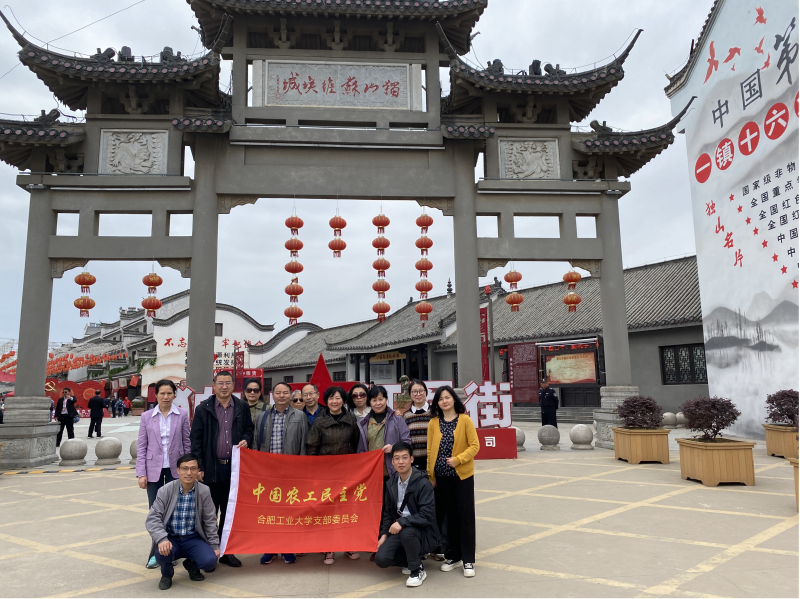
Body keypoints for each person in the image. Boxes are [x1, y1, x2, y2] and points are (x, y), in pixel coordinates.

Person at [190, 370, 253, 568]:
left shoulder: (242, 406)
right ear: (214, 385)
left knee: (229, 512)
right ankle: (208, 552)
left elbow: (249, 429)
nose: (224, 386)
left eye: (228, 383)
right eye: (220, 383)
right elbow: (196, 439)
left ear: (233, 385)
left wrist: (247, 439)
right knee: (209, 513)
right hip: (211, 467)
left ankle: (227, 551)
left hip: (234, 468)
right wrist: (199, 466)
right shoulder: (204, 408)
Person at [137, 379, 192, 569]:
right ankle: (156, 552)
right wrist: (141, 473)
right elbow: (142, 446)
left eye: (169, 393)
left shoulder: (182, 415)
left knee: (175, 510)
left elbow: (186, 443)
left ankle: (172, 551)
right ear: (156, 395)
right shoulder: (147, 416)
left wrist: (189, 469)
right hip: (153, 469)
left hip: (175, 469)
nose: (166, 397)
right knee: (155, 511)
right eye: (162, 393)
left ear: (174, 395)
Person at [145, 453, 220, 591]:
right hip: (171, 538)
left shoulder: (204, 491)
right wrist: (161, 539)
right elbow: (152, 518)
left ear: (198, 471)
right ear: (178, 470)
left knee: (210, 561)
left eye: (193, 468)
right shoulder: (165, 490)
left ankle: (191, 564)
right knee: (162, 553)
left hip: (193, 538)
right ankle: (166, 575)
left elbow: (210, 520)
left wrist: (214, 545)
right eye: (185, 468)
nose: (189, 473)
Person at [253, 381, 308, 565]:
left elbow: (303, 446)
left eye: (285, 392)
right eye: (278, 392)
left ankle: (287, 548)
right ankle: (270, 548)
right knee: (269, 513)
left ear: (290, 395)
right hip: (268, 473)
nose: (282, 395)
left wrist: (301, 470)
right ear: (272, 395)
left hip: (291, 473)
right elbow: (255, 445)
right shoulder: (262, 417)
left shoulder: (300, 416)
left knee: (289, 512)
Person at [427, 385, 480, 578]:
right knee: (449, 518)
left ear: (454, 400)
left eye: (447, 397)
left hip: (462, 476)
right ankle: (453, 556)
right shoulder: (433, 423)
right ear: (437, 403)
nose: (444, 401)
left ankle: (468, 559)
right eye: (441, 399)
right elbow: (430, 451)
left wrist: (458, 460)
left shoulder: (465, 420)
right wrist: (431, 476)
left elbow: (475, 446)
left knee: (465, 516)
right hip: (442, 478)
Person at [306, 386, 362, 565]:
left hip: (346, 472)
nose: (334, 401)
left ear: (343, 400)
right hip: (326, 473)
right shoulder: (319, 422)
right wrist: (314, 473)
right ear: (326, 401)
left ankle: (348, 545)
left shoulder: (351, 419)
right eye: (331, 398)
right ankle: (329, 548)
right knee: (328, 511)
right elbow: (312, 447)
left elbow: (356, 443)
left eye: (338, 398)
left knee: (347, 510)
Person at [376, 442, 440, 588]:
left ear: (411, 459)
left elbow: (427, 515)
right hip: (401, 530)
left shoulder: (422, 483)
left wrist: (402, 522)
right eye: (397, 458)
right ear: (392, 462)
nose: (401, 462)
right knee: (381, 559)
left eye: (405, 457)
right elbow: (388, 512)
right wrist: (384, 534)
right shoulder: (391, 483)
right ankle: (412, 560)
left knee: (407, 532)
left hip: (423, 531)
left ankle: (417, 570)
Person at [402, 380, 433, 473]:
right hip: (414, 461)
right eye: (414, 391)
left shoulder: (435, 412)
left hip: (433, 459)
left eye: (421, 391)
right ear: (410, 394)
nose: (418, 394)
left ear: (426, 392)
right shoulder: (406, 415)